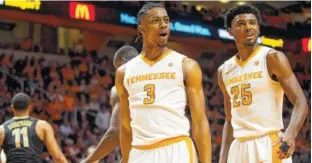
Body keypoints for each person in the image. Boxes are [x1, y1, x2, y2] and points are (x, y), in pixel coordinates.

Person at [115, 2, 211, 163]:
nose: (163, 25)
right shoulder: (124, 72)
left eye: (166, 20)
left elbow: (200, 121)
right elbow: (125, 127)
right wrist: (125, 159)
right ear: (142, 29)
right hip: (140, 152)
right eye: (155, 21)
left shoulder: (186, 65)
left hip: (175, 148)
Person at [218, 4, 308, 163]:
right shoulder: (223, 71)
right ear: (230, 31)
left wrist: (291, 132)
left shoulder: (272, 58)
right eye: (241, 24)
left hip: (268, 143)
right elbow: (229, 119)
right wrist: (223, 158)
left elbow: (301, 102)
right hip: (238, 148)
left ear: (259, 28)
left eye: (252, 23)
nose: (248, 28)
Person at [82, 46, 139, 163]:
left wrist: (89, 160)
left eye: (117, 68)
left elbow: (115, 132)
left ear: (123, 62)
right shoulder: (160, 79)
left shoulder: (121, 86)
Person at [0, 92, 67, 163]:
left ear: (12, 108)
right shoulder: (41, 125)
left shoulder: (2, 129)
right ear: (30, 107)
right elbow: (58, 157)